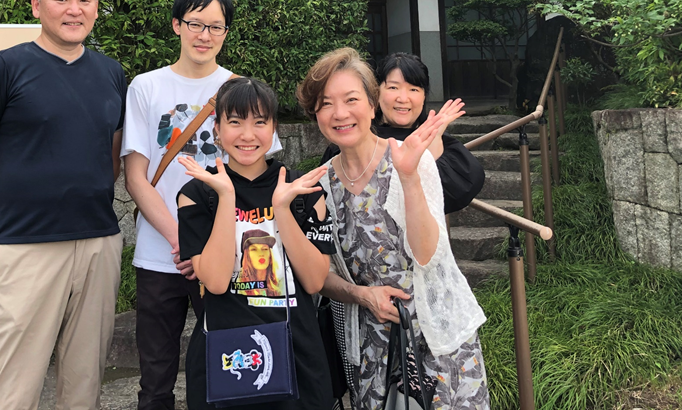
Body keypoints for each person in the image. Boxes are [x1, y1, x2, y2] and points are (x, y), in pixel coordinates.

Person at [0, 0, 127, 410]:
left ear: (96, 9)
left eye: (84, 0)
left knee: (85, 383)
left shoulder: (111, 73)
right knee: (15, 387)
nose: (74, 9)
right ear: (36, 5)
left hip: (98, 243)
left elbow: (110, 158)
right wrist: (0, 226)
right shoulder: (6, 67)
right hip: (28, 247)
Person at [297, 48, 490, 410]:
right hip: (372, 348)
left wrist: (408, 175)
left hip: (439, 339)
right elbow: (321, 275)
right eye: (326, 104)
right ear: (315, 114)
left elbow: (428, 254)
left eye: (351, 99)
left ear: (372, 105)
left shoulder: (409, 158)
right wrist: (361, 295)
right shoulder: (320, 185)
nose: (340, 113)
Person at [122, 0, 282, 410]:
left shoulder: (241, 89)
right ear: (177, 24)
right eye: (195, 23)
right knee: (155, 378)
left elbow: (258, 177)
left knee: (235, 368)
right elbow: (135, 177)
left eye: (216, 26)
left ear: (226, 32)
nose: (204, 35)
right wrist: (182, 241)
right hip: (161, 254)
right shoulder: (145, 87)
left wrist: (205, 249)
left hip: (227, 258)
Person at [177, 77, 336, 410]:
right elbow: (216, 282)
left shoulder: (303, 190)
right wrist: (226, 197)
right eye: (235, 122)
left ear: (274, 127)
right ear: (217, 129)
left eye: (260, 122)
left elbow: (314, 280)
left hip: (297, 352)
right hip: (227, 356)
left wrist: (282, 209)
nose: (247, 135)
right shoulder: (197, 194)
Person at [320, 52, 484, 215]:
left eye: (414, 89)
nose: (403, 98)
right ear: (375, 93)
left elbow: (446, 199)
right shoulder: (352, 139)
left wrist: (433, 146)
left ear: (424, 96)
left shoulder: (439, 139)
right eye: (393, 87)